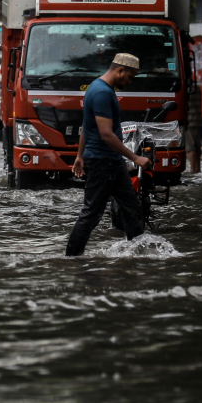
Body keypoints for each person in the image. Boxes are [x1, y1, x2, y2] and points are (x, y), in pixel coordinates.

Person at [66, 53, 151, 257]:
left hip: (112, 162)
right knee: (91, 214)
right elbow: (106, 134)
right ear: (120, 70)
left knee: (132, 208)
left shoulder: (98, 88)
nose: (129, 82)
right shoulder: (102, 93)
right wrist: (135, 158)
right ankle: (71, 257)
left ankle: (137, 253)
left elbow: (87, 127)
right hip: (102, 163)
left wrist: (79, 155)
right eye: (130, 77)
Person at [187, 79, 202, 174]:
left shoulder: (186, 90)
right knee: (197, 147)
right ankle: (198, 169)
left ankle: (192, 170)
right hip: (198, 121)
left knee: (190, 147)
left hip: (188, 122)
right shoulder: (197, 88)